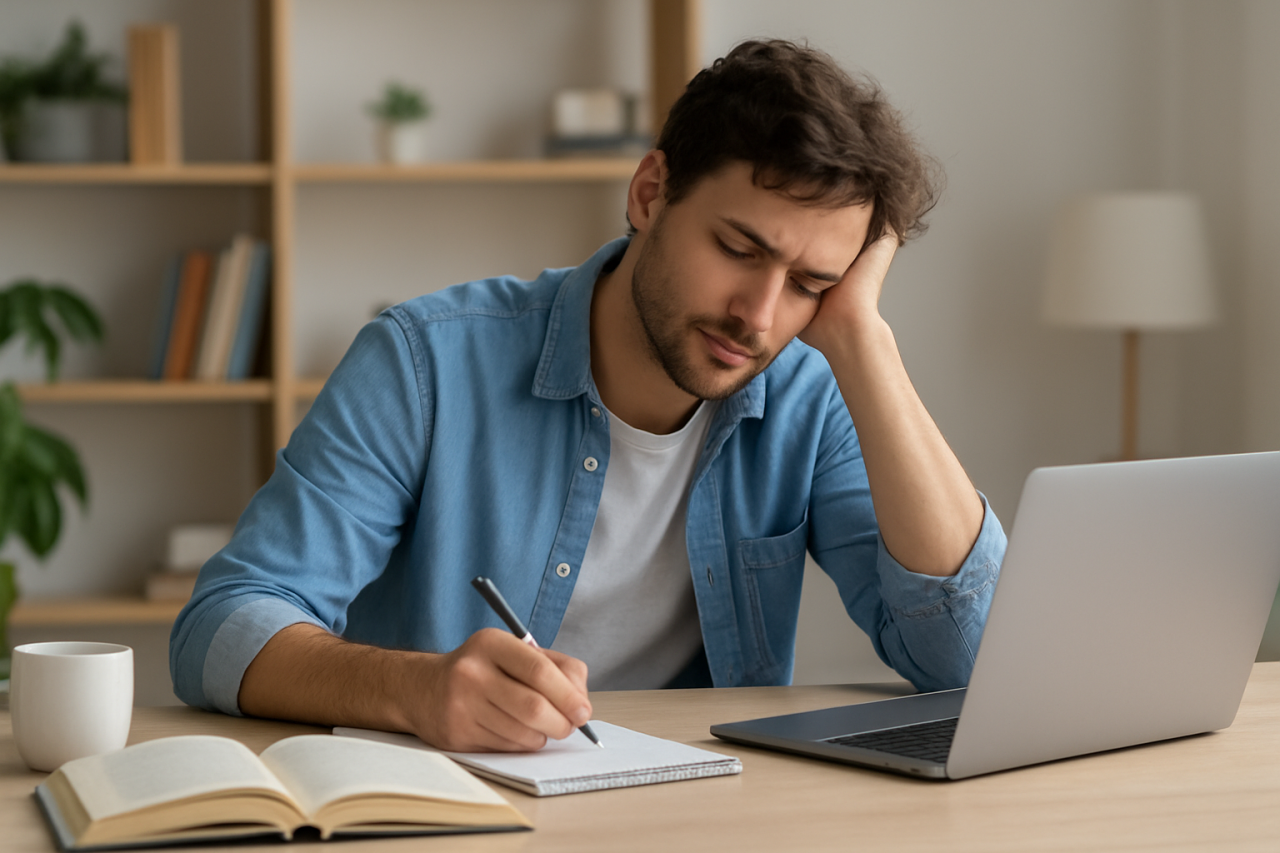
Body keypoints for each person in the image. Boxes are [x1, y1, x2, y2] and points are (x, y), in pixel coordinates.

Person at [170, 39, 1006, 753]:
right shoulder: (424, 361)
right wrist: (417, 689)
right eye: (738, 248)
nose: (758, 316)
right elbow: (222, 625)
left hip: (701, 810)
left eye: (810, 284)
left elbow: (974, 659)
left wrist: (865, 342)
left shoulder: (807, 393)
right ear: (650, 194)